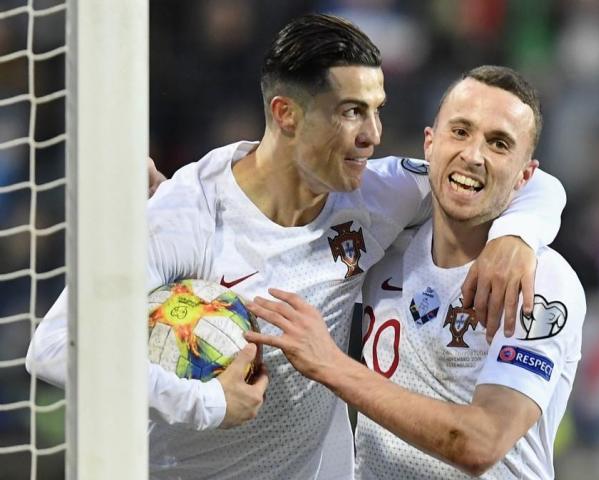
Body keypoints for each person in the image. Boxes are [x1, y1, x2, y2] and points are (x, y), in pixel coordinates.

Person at [26, 15, 565, 480]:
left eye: (377, 109)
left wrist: (515, 235)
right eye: (351, 111)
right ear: (286, 114)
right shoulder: (184, 215)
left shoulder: (375, 192)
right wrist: (207, 403)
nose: (373, 134)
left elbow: (518, 178)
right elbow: (53, 347)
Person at [246, 65, 585, 479]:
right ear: (429, 144)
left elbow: (481, 442)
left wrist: (332, 365)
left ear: (525, 177)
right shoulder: (384, 242)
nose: (473, 155)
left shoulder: (541, 281)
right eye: (460, 132)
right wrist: (175, 197)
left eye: (498, 144)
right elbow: (276, 201)